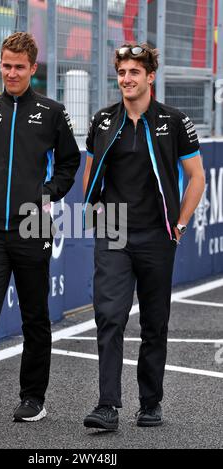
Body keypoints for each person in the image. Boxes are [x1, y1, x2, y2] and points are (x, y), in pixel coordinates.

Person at [0, 32, 80, 426]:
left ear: (33, 68)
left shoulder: (52, 112)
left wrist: (47, 192)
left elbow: (69, 163)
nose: (10, 72)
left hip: (31, 226)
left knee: (35, 317)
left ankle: (32, 398)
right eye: (6, 65)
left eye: (18, 67)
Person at [82, 44, 205, 430]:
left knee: (155, 322)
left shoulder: (173, 120)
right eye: (121, 72)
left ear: (150, 77)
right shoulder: (103, 120)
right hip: (113, 230)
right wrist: (94, 212)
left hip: (157, 234)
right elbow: (90, 171)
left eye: (134, 72)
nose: (126, 79)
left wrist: (180, 224)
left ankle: (150, 403)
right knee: (109, 316)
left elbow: (196, 177)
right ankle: (107, 406)